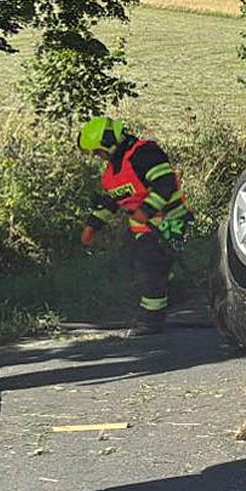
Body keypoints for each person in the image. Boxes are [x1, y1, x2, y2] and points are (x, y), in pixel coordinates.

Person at [78, 117, 192, 335]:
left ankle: (152, 321)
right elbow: (112, 202)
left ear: (108, 143)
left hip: (169, 222)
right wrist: (92, 227)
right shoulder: (113, 171)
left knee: (150, 268)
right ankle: (172, 293)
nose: (98, 157)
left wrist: (146, 211)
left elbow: (165, 184)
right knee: (128, 263)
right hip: (142, 229)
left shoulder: (144, 153)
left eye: (98, 152)